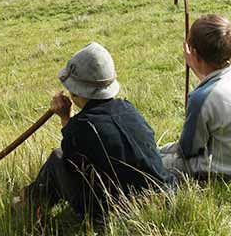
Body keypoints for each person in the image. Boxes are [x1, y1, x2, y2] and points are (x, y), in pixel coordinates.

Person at [24, 42, 175, 220]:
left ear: (75, 92)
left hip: (117, 214)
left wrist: (66, 118)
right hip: (165, 198)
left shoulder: (80, 128)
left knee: (57, 159)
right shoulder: (128, 108)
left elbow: (73, 166)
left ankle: (29, 203)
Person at [160, 14, 231, 180]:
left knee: (154, 162)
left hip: (229, 171)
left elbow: (187, 151)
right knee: (160, 152)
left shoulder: (201, 98)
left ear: (194, 53)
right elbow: (213, 85)